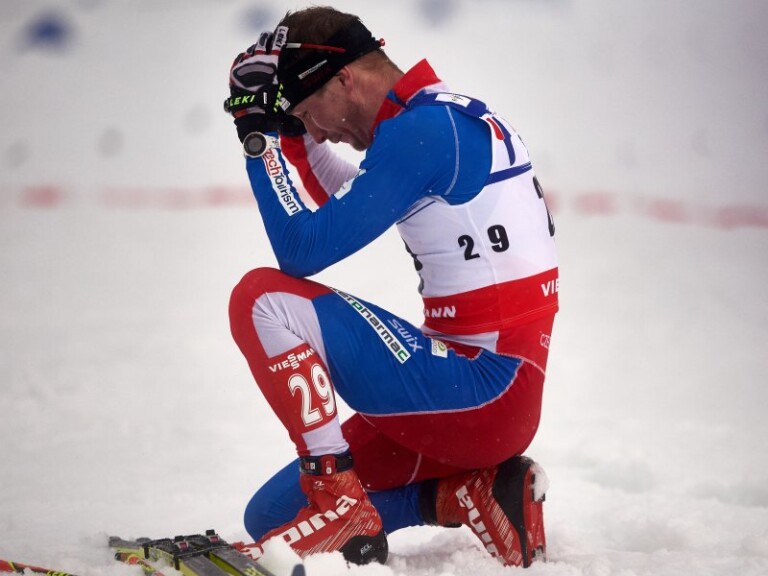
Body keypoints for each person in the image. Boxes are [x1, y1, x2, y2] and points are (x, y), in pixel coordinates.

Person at [224, 6, 558, 568]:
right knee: (273, 518)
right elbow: (352, 199)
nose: (319, 131)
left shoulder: (425, 131)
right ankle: (467, 494)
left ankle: (338, 496)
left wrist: (259, 135)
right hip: (480, 393)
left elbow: (302, 249)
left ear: (344, 79)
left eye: (310, 113)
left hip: (481, 391)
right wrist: (283, 128)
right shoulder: (433, 120)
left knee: (261, 299)